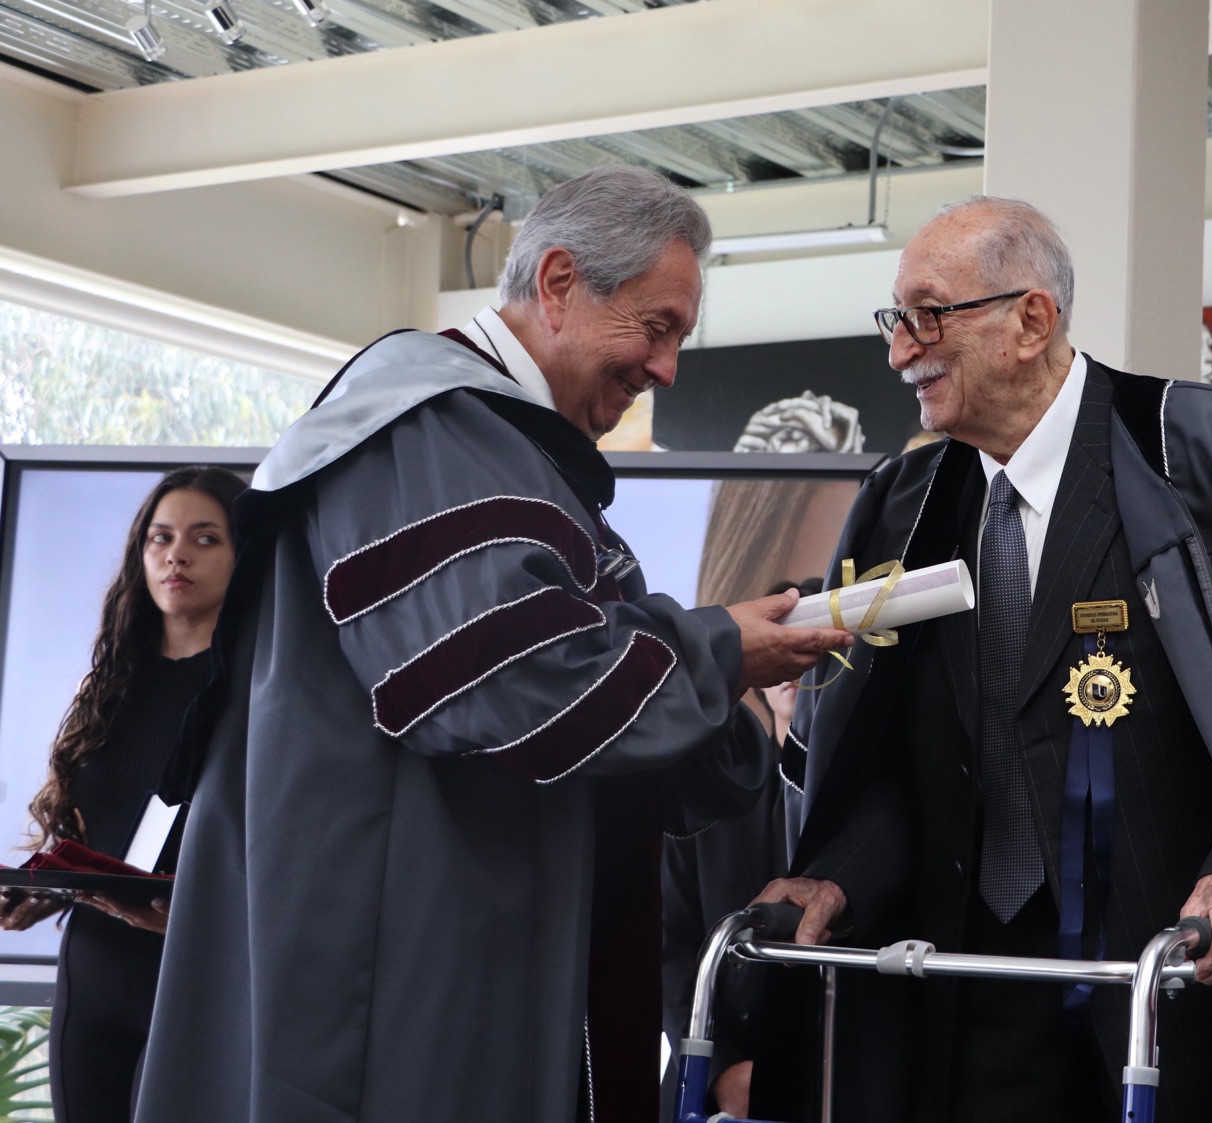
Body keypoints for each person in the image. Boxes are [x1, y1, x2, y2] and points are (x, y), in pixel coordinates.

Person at [133, 166, 853, 1123]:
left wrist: (731, 672)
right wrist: (719, 651)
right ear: (557, 282)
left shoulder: (512, 459)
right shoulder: (424, 429)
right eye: (657, 326)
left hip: (480, 948)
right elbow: (512, 682)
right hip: (395, 972)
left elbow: (611, 722)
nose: (668, 368)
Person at [750, 196, 1212, 1123]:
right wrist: (836, 873)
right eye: (896, 319)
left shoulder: (1208, 456)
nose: (901, 350)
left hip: (1180, 973)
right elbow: (886, 758)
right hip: (975, 987)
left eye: (930, 314)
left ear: (1031, 319)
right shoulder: (904, 503)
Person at [0, 467, 244, 1122]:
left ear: (242, 554)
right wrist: (37, 889)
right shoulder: (108, 686)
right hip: (94, 970)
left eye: (205, 537)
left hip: (195, 973)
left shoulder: (258, 696)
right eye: (160, 537)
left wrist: (199, 917)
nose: (176, 554)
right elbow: (91, 831)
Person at [660, 576, 824, 1122]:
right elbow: (669, 948)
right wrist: (721, 1067)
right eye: (784, 637)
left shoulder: (873, 800)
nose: (797, 660)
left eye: (813, 638)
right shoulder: (708, 791)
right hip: (712, 1084)